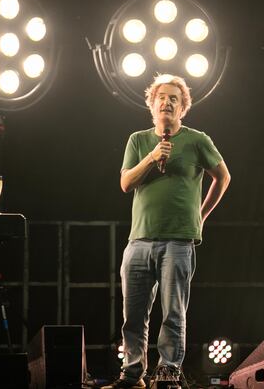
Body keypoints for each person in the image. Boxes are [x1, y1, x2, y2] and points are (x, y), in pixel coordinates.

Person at [105, 74, 230, 388]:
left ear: (183, 107)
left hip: (178, 240)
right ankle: (133, 374)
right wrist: (151, 157)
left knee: (173, 312)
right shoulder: (138, 140)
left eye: (175, 98)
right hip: (139, 240)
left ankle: (168, 372)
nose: (168, 102)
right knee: (132, 315)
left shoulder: (197, 139)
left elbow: (223, 177)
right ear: (152, 104)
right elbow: (124, 183)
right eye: (162, 97)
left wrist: (200, 216)